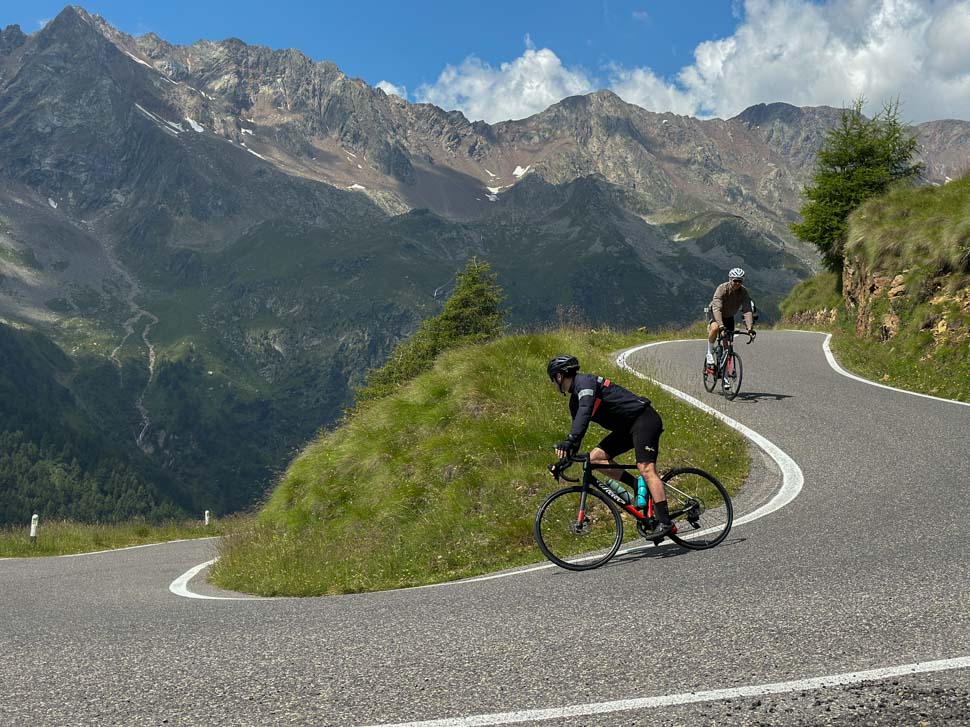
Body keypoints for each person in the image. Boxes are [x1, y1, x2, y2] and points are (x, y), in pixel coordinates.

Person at [547, 354, 673, 539]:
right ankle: (637, 485)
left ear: (559, 376)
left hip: (643, 419)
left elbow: (584, 412)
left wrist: (569, 439)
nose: (553, 384)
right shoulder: (575, 400)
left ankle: (665, 522)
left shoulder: (585, 383)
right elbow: (578, 433)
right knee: (595, 458)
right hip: (626, 429)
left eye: (553, 379)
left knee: (646, 468)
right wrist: (564, 462)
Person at [707, 267, 756, 387]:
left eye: (740, 281)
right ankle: (709, 353)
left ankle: (725, 376)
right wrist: (721, 326)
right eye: (735, 281)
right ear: (730, 280)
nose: (737, 283)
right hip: (715, 313)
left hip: (729, 317)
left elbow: (747, 309)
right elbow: (717, 308)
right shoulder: (722, 288)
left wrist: (749, 328)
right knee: (714, 328)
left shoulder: (743, 292)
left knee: (727, 347)